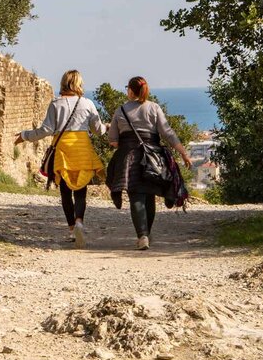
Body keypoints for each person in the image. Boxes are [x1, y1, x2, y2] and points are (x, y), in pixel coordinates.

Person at [15, 70, 105, 248]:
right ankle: (80, 221)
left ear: (64, 83)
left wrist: (25, 136)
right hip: (82, 150)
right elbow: (98, 130)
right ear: (79, 83)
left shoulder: (56, 104)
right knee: (80, 190)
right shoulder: (87, 103)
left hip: (63, 150)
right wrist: (108, 127)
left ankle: (72, 228)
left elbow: (46, 130)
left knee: (65, 191)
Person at [106, 76, 192, 251]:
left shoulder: (120, 110)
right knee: (149, 195)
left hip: (129, 158)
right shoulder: (154, 108)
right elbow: (167, 133)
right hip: (153, 158)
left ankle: (142, 235)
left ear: (130, 90)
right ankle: (147, 233)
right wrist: (183, 153)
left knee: (135, 196)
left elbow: (113, 141)